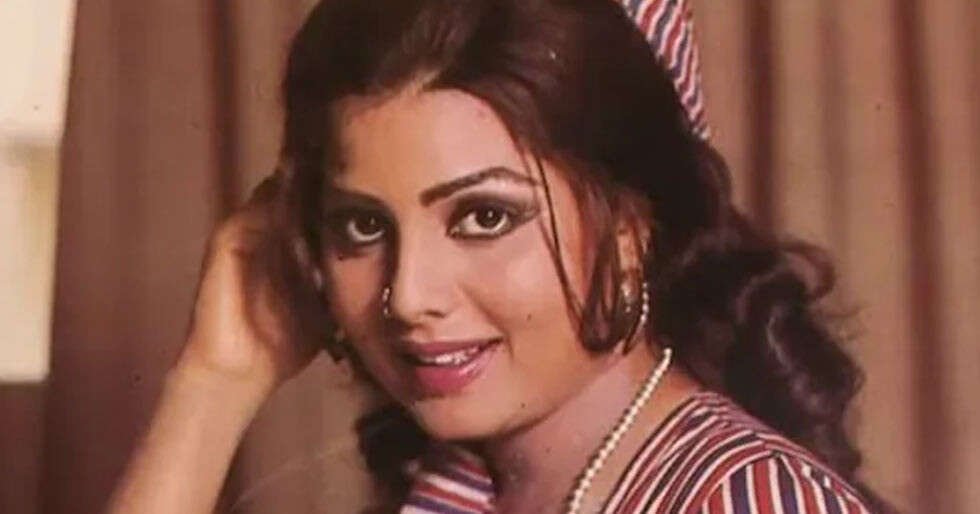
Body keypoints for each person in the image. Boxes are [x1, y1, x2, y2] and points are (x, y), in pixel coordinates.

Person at [108, 0, 890, 513]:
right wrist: (213, 383)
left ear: (632, 227)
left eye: (484, 217)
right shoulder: (467, 489)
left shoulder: (746, 498)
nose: (410, 293)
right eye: (363, 226)